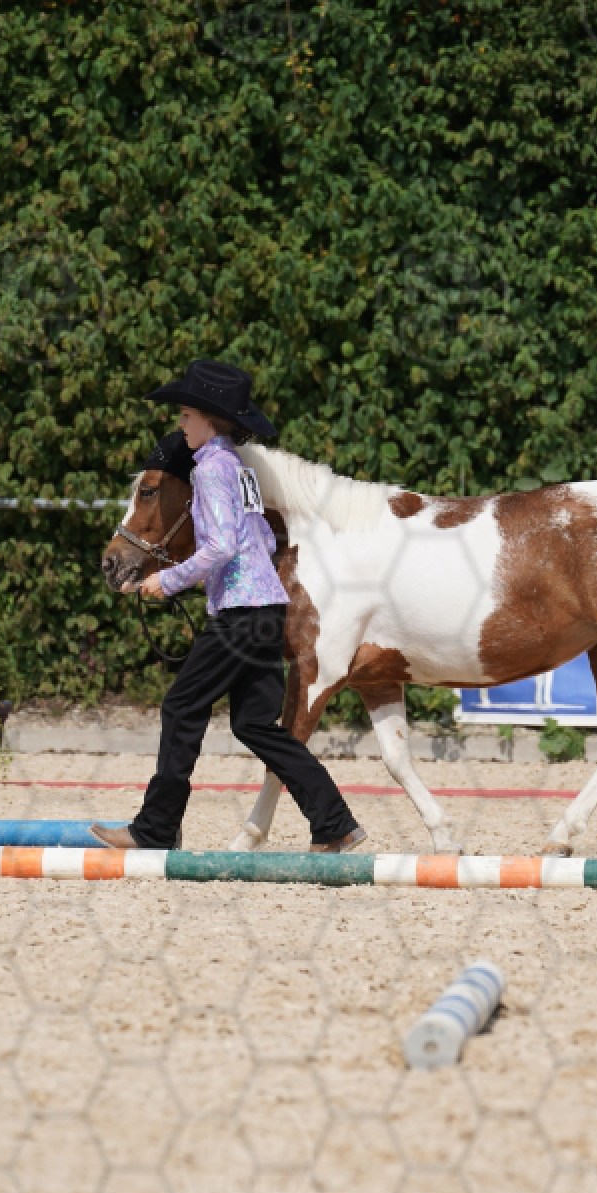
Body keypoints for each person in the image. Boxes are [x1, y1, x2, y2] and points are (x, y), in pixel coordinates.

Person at [91, 360, 368, 853]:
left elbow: (220, 546)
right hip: (266, 610)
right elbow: (256, 539)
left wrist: (167, 581)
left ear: (210, 420)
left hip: (240, 615)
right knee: (255, 726)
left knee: (181, 707)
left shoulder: (210, 471)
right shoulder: (239, 470)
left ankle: (155, 830)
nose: (180, 424)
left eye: (186, 415)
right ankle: (335, 823)